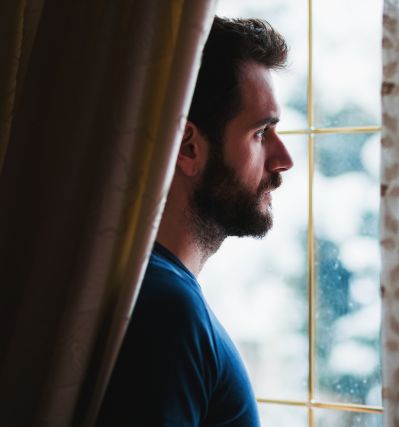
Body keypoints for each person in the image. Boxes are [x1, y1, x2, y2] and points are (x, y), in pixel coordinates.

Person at [97, 17, 293, 426]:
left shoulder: (151, 286)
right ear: (189, 147)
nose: (283, 160)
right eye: (261, 133)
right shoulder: (169, 310)